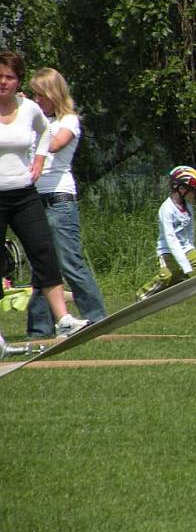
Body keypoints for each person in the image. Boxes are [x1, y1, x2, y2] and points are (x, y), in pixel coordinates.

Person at [0, 50, 87, 339]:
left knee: (45, 255)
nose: (3, 82)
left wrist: (38, 161)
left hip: (24, 194)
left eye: (9, 77)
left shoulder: (29, 109)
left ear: (18, 80)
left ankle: (63, 320)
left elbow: (46, 133)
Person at [25, 67, 107, 338]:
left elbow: (56, 144)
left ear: (53, 94)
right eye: (33, 96)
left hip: (60, 199)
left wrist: (28, 118)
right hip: (34, 199)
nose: (37, 101)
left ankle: (97, 318)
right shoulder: (35, 121)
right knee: (43, 266)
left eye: (41, 96)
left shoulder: (68, 120)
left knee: (70, 262)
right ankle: (39, 328)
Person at [136, 167, 196, 302]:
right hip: (168, 250)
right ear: (182, 189)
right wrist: (186, 266)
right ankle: (143, 295)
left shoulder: (187, 207)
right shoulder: (166, 209)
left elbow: (189, 232)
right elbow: (171, 239)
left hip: (186, 248)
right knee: (168, 276)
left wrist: (192, 251)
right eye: (193, 192)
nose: (195, 195)